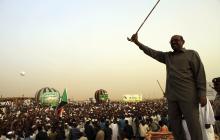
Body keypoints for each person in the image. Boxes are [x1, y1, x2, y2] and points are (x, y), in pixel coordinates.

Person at [128, 33, 207, 140]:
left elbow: (200, 74)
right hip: (172, 97)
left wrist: (202, 93)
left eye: (176, 40)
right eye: (172, 41)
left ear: (183, 42)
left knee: (193, 125)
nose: (174, 42)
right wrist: (137, 43)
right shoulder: (167, 56)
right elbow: (152, 52)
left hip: (188, 96)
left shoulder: (191, 54)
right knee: (175, 126)